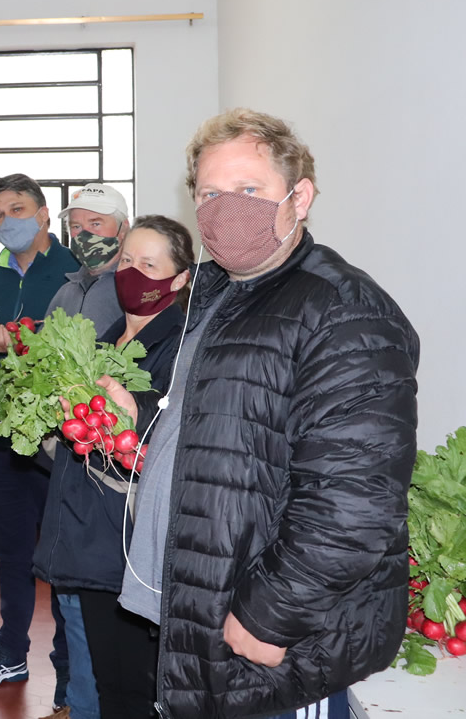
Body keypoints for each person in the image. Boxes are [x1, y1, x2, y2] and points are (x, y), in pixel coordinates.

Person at [107, 109, 419, 719]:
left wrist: (267, 616)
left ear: (298, 198)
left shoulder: (344, 312)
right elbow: (226, 421)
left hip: (274, 644)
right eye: (210, 194)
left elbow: (353, 504)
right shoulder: (221, 291)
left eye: (248, 191)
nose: (225, 209)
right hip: (201, 603)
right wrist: (139, 413)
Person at [33, 216, 193, 719]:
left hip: (135, 546)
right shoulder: (101, 344)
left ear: (180, 279)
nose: (132, 273)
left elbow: (172, 443)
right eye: (127, 261)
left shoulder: (185, 349)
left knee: (142, 691)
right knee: (111, 685)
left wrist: (132, 412)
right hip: (90, 540)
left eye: (149, 264)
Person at [0, 173, 76, 711]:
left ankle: (70, 669)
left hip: (62, 442)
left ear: (45, 213)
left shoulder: (77, 274)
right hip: (2, 438)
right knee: (12, 555)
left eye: (18, 208)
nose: (8, 222)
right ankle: (11, 652)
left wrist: (24, 344)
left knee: (64, 558)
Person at [45, 183, 131, 335]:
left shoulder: (137, 286)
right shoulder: (65, 293)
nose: (85, 235)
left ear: (123, 228)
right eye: (76, 226)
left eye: (96, 223)